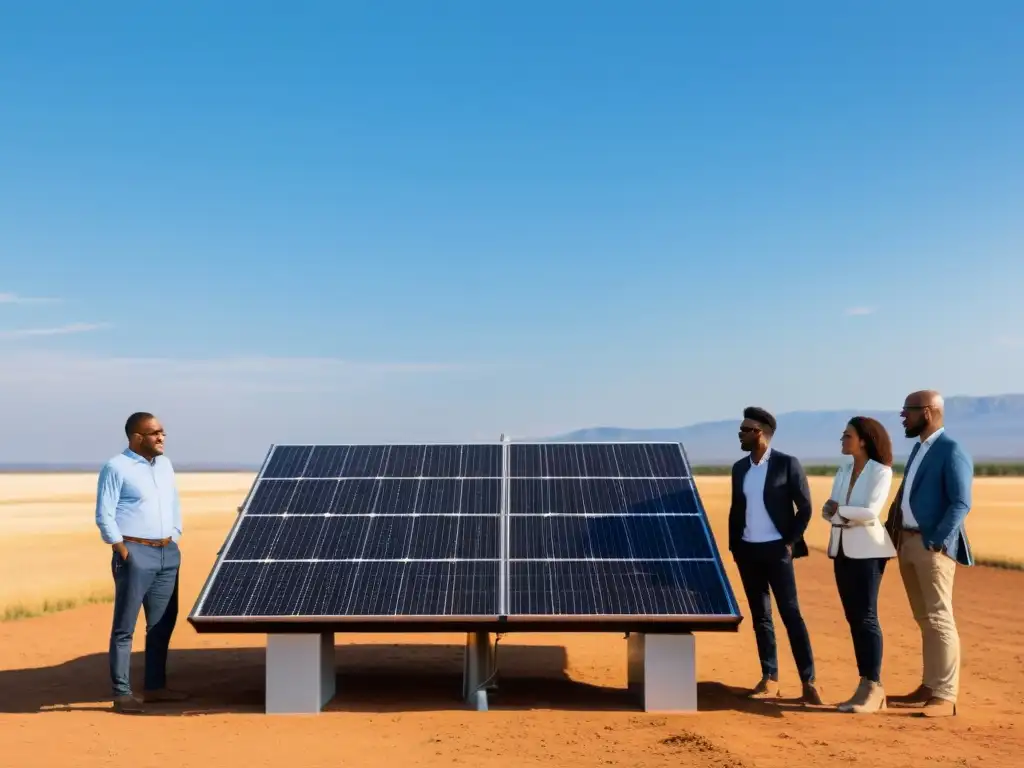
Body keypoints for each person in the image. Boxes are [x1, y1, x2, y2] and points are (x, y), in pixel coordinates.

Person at [884, 390, 973, 717]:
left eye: (907, 410)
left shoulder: (951, 450)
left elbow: (961, 502)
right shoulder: (920, 448)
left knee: (939, 618)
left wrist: (936, 540)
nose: (903, 416)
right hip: (908, 543)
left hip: (931, 546)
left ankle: (946, 696)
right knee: (925, 619)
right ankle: (930, 685)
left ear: (929, 411)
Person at [728, 406, 822, 705]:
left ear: (760, 433)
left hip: (777, 551)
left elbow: (805, 507)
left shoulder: (786, 464)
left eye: (744, 430)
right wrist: (735, 546)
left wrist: (789, 542)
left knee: (791, 614)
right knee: (761, 617)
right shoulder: (739, 468)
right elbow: (736, 509)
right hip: (748, 551)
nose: (739, 434)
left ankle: (809, 681)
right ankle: (770, 678)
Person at [95, 411, 188, 713]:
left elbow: (172, 501)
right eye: (155, 433)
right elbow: (104, 512)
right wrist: (121, 548)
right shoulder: (116, 467)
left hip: (167, 552)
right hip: (135, 553)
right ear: (137, 437)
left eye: (163, 432)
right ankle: (121, 693)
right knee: (125, 628)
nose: (162, 437)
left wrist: (174, 533)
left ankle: (155, 688)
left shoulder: (165, 465)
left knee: (161, 624)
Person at [822, 416, 897, 713]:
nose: (842, 439)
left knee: (866, 616)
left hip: (868, 550)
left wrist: (839, 511)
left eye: (847, 435)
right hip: (841, 548)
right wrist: (835, 512)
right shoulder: (843, 469)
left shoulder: (881, 471)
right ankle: (864, 683)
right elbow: (831, 508)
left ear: (863, 439)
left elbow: (871, 512)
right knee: (853, 617)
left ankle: (874, 688)